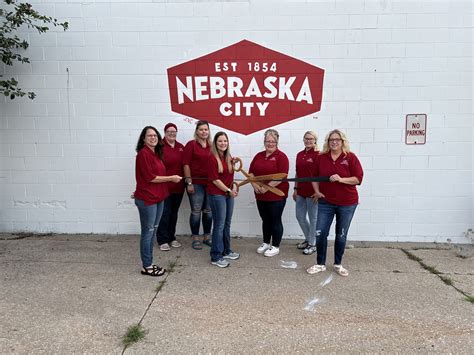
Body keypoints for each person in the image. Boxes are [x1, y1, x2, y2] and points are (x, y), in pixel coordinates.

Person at [306, 129, 363, 277]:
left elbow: (358, 179)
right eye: (331, 140)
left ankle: (338, 264)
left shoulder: (350, 157)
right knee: (320, 232)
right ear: (327, 142)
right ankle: (320, 264)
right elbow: (314, 177)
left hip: (347, 203)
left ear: (342, 141)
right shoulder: (321, 157)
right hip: (326, 202)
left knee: (341, 235)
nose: (334, 142)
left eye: (337, 139)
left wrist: (341, 179)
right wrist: (317, 192)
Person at [134, 126, 182, 276]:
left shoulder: (156, 153)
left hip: (159, 197)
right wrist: (171, 178)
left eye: (155, 135)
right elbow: (150, 177)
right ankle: (147, 266)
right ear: (143, 139)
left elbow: (145, 178)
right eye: (149, 136)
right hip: (148, 199)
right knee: (148, 232)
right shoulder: (143, 154)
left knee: (153, 230)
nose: (153, 138)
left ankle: (149, 263)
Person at [249, 129, 289, 257]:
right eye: (267, 141)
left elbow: (281, 176)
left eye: (273, 141)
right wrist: (254, 185)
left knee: (275, 220)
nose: (270, 143)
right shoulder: (258, 155)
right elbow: (251, 173)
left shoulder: (282, 157)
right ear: (264, 141)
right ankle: (266, 242)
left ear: (277, 142)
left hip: (276, 195)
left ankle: (275, 245)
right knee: (265, 219)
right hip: (260, 195)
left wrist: (266, 187)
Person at [207, 132, 240, 268]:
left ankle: (226, 251)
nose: (223, 143)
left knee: (227, 224)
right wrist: (228, 190)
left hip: (227, 194)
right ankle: (216, 256)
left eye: (225, 141)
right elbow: (215, 180)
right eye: (220, 141)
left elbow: (229, 177)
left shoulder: (228, 157)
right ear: (215, 143)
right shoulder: (211, 158)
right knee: (219, 225)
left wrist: (233, 189)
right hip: (217, 194)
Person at [183, 120, 212, 250]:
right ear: (197, 131)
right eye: (201, 129)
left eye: (206, 129)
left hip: (210, 183)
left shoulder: (212, 145)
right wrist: (189, 182)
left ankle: (207, 237)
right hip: (196, 183)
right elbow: (186, 164)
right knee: (196, 211)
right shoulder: (191, 145)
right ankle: (195, 237)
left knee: (208, 211)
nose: (204, 132)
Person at [156, 123, 184, 251]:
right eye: (169, 131)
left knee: (174, 213)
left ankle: (172, 237)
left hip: (178, 188)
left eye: (174, 131)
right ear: (165, 132)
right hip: (164, 187)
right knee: (165, 213)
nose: (172, 133)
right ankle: (162, 239)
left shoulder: (180, 147)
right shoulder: (159, 146)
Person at [293, 131, 320, 255]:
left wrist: (318, 192)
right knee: (300, 217)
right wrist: (295, 189)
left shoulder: (319, 154)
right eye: (306, 138)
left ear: (315, 140)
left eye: (311, 138)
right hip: (301, 192)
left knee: (313, 218)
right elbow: (297, 173)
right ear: (303, 139)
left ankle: (313, 244)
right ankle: (309, 239)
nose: (308, 140)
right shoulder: (299, 154)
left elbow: (321, 175)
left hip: (313, 193)